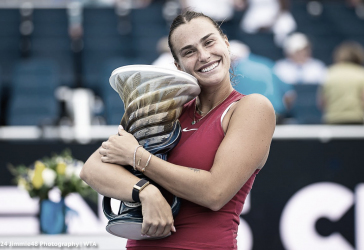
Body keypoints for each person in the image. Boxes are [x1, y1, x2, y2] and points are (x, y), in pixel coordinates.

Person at [80, 11, 275, 249]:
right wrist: (145, 190)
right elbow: (91, 169)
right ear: (178, 65)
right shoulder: (164, 108)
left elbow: (214, 193)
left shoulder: (252, 107)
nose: (204, 55)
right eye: (189, 51)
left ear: (225, 43)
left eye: (209, 42)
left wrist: (138, 157)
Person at [229, 40, 295, 122]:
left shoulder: (231, 71)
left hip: (247, 119)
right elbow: (289, 94)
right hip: (275, 116)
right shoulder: (267, 64)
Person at [319, 41, 364, 125]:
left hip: (332, 120)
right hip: (356, 120)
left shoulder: (329, 73)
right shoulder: (361, 74)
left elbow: (322, 102)